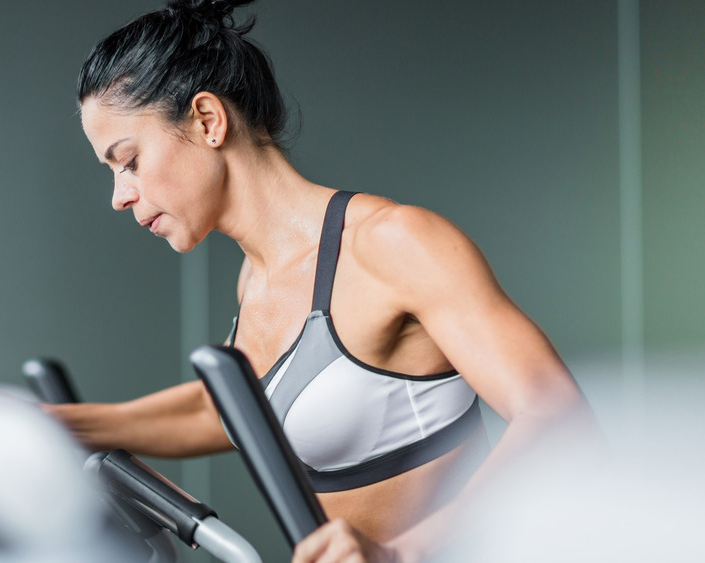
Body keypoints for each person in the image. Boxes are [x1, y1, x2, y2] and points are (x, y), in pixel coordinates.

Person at [39, 0, 598, 560]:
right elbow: (231, 410)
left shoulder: (390, 242)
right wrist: (62, 425)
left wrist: (397, 555)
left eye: (129, 160)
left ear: (208, 120)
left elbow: (557, 415)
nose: (120, 195)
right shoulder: (255, 278)